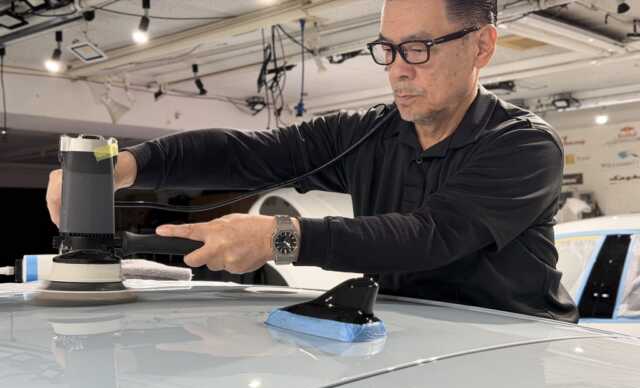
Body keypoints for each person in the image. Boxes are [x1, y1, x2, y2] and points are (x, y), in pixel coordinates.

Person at [46, 0, 578, 322]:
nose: (397, 70)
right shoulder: (369, 133)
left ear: (482, 46)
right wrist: (127, 164)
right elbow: (252, 153)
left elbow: (430, 235)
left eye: (418, 49)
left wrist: (278, 238)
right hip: (411, 343)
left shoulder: (523, 146)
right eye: (387, 49)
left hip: (515, 348)